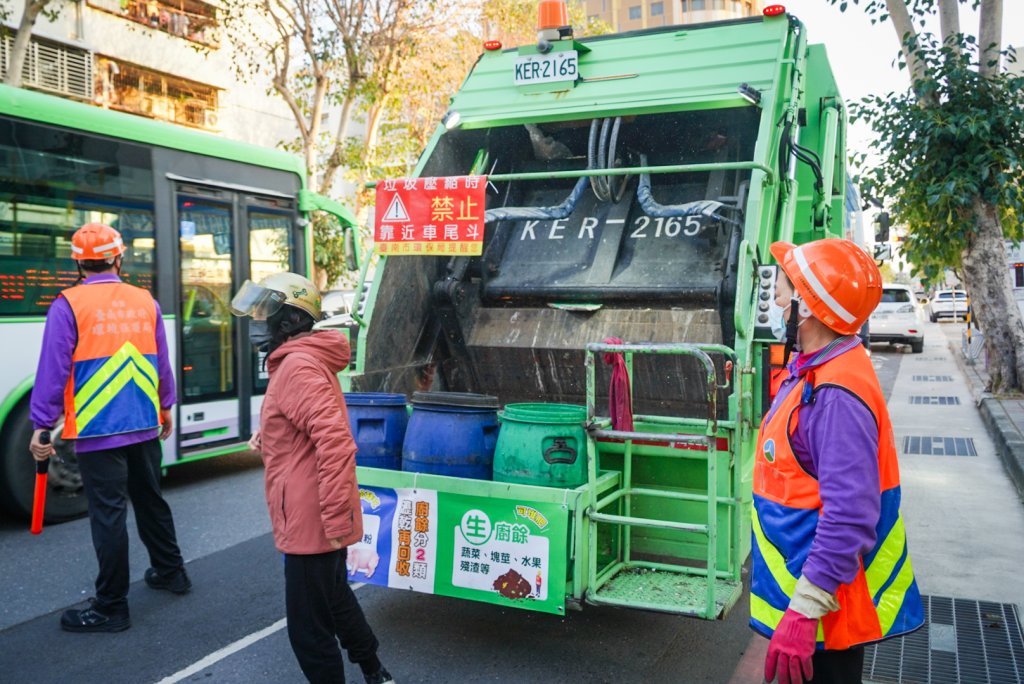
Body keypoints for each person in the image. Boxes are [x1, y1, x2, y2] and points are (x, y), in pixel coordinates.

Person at [752, 238, 924, 684]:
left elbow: (849, 515)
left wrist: (804, 612)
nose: (775, 299)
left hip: (824, 622)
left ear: (806, 307)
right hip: (815, 611)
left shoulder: (836, 394)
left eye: (784, 289)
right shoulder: (817, 371)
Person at [230, 273, 395, 684]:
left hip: (313, 519)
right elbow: (304, 425)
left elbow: (336, 442)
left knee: (309, 631)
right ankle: (376, 672)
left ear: (288, 322)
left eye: (266, 311)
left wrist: (336, 519)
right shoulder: (298, 362)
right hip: (315, 514)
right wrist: (269, 434)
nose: (257, 320)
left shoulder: (296, 367)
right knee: (336, 599)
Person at [29, 223, 189, 633]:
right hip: (143, 420)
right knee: (151, 500)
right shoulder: (144, 300)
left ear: (79, 263)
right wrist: (165, 404)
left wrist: (42, 425)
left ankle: (112, 606)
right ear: (118, 259)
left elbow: (53, 370)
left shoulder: (67, 304)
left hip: (98, 430)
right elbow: (161, 360)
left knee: (109, 516)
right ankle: (172, 572)